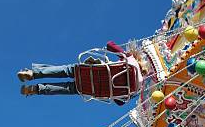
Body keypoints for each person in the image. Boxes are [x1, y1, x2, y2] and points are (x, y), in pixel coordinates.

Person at [18, 41, 147, 104]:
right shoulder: (136, 89)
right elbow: (119, 102)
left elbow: (110, 44)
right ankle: (35, 89)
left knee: (66, 70)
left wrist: (125, 54)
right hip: (91, 89)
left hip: (89, 72)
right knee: (69, 88)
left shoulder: (131, 61)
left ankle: (33, 73)